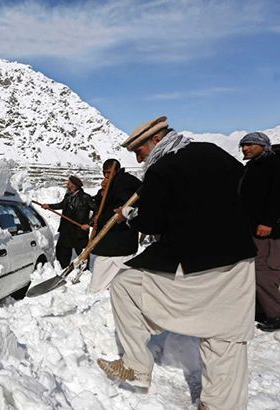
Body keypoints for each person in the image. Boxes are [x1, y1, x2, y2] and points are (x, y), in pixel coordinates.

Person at [97, 116, 256, 410]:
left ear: (156, 140)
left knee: (125, 285)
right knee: (224, 336)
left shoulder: (161, 169)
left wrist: (130, 215)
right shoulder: (214, 152)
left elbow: (152, 222)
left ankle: (136, 366)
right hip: (237, 257)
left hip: (192, 262)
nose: (138, 157)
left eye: (138, 151)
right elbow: (246, 192)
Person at [238, 132, 280, 332]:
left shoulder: (278, 165)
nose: (246, 148)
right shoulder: (252, 166)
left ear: (263, 145)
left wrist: (268, 222)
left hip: (267, 230)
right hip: (252, 229)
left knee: (265, 272)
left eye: (251, 144)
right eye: (243, 145)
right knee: (254, 271)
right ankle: (262, 310)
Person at [88, 159, 141, 292]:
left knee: (110, 279)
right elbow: (103, 204)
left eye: (109, 173)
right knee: (105, 274)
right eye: (104, 173)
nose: (106, 176)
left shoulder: (124, 183)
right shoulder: (114, 183)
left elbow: (130, 205)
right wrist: (102, 194)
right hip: (112, 241)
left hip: (119, 239)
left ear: (117, 171)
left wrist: (123, 212)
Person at [42, 176, 94, 268]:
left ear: (73, 186)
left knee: (82, 253)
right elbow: (61, 205)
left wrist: (89, 224)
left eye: (69, 183)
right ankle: (63, 269)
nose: (67, 185)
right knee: (62, 251)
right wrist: (49, 206)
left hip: (79, 231)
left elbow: (97, 211)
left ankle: (83, 273)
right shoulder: (67, 196)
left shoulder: (86, 198)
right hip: (66, 230)